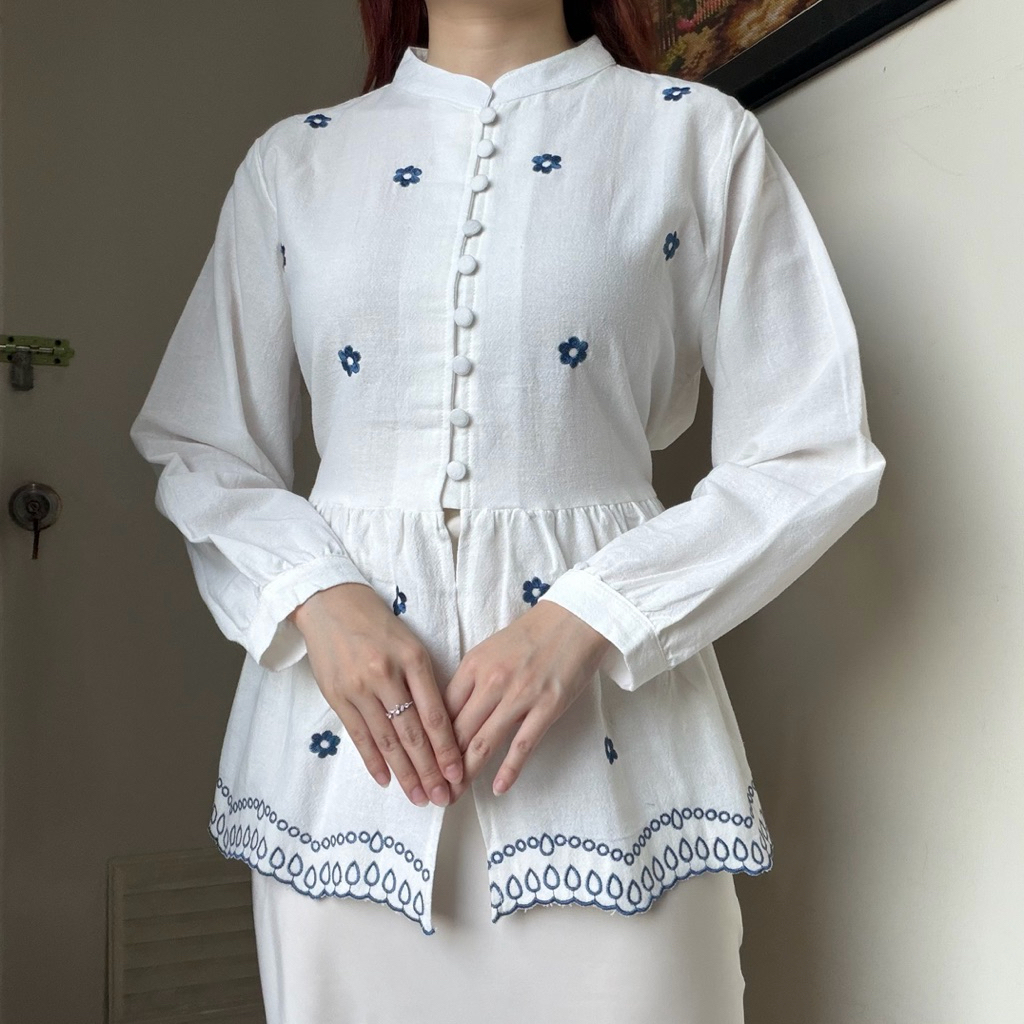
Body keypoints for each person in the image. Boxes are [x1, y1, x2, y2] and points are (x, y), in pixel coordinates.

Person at [129, 0, 886, 1019]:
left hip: (611, 759)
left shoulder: (694, 136)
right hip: (344, 766)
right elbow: (199, 441)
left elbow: (810, 448)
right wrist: (316, 597)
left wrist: (589, 615)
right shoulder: (294, 163)